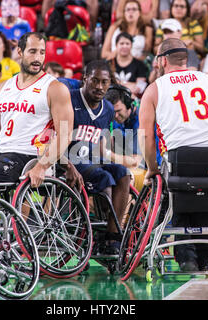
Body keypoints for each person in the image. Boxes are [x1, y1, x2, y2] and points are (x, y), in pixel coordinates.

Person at [139, 38, 208, 272]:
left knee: (176, 187)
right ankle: (205, 256)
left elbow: (145, 137)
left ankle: (186, 257)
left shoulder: (154, 89)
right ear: (185, 59)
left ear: (163, 60)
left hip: (180, 161)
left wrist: (152, 168)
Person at [0, 32, 75, 190]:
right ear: (20, 52)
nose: (38, 58)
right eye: (32, 51)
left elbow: (65, 134)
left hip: (29, 155)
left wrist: (41, 166)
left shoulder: (55, 88)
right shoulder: (3, 87)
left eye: (42, 52)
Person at [68, 60, 132, 254]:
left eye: (104, 82)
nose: (99, 86)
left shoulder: (109, 109)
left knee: (123, 173)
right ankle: (98, 232)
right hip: (68, 159)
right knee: (104, 178)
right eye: (94, 81)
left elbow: (102, 146)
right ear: (84, 79)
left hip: (92, 158)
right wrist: (66, 164)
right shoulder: (69, 99)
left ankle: (112, 237)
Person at [107, 32, 148, 98]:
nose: (124, 46)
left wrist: (117, 84)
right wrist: (130, 85)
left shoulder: (140, 64)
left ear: (131, 45)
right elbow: (106, 85)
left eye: (127, 43)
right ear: (116, 45)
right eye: (122, 43)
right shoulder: (109, 63)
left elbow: (139, 88)